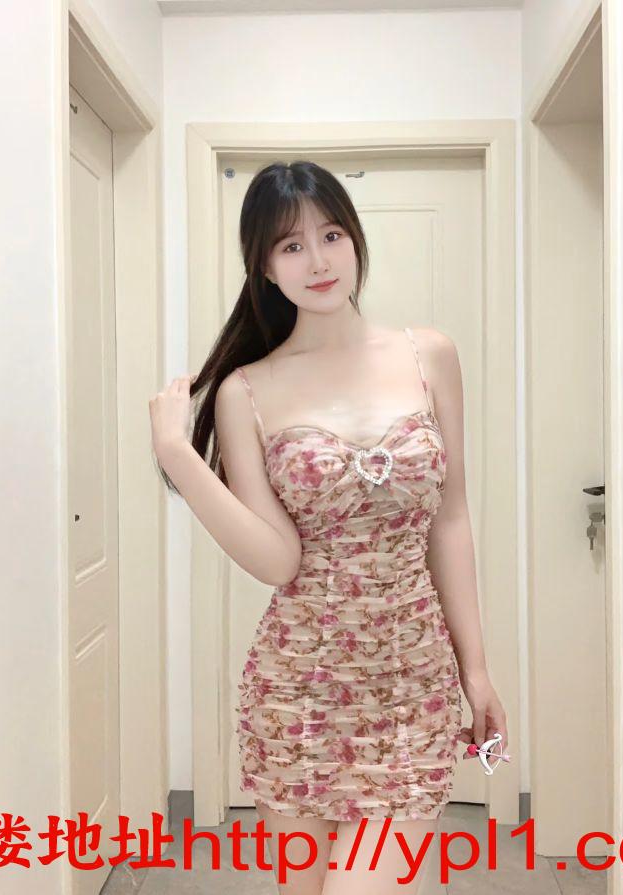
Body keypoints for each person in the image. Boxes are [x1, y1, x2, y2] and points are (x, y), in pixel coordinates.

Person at [148, 160, 508, 894]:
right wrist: (177, 456)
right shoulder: (246, 391)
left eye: (332, 234)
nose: (317, 260)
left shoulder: (429, 356)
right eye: (291, 245)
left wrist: (476, 669)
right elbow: (277, 561)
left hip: (410, 685)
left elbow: (450, 519)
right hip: (298, 694)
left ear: (355, 239)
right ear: (263, 266)